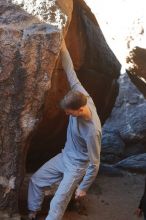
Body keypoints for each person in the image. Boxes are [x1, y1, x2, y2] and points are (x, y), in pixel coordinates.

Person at [28, 39, 102, 220]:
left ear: (81, 109)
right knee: (36, 180)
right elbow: (70, 72)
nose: (68, 116)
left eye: (70, 113)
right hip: (65, 156)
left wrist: (83, 187)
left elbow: (95, 163)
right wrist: (62, 44)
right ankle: (32, 213)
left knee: (57, 203)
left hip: (76, 167)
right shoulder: (80, 94)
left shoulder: (93, 131)